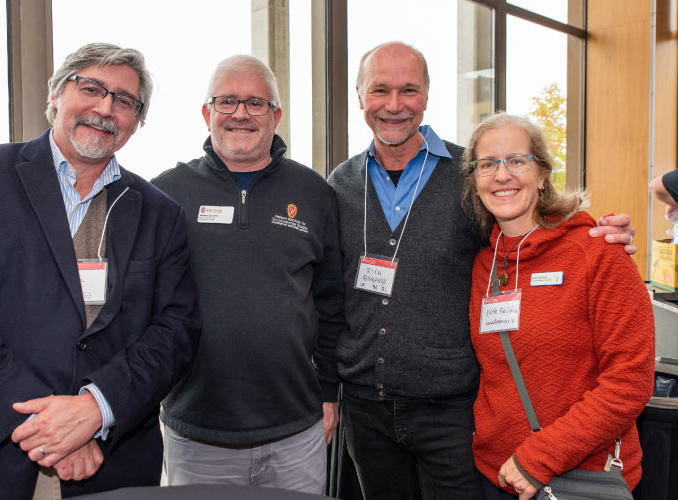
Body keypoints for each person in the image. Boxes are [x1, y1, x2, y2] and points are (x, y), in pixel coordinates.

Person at [0, 43, 201, 500]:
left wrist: (95, 408)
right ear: (55, 96)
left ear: (136, 121)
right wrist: (49, 428)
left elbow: (176, 331)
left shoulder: (161, 213)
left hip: (111, 462)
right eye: (90, 87)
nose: (106, 107)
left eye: (125, 101)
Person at [327, 41, 637, 500]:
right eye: (380, 90)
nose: (394, 105)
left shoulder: (466, 176)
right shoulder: (340, 184)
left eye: (409, 90)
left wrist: (599, 232)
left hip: (452, 412)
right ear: (359, 96)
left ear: (427, 95)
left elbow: (536, 224)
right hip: (365, 408)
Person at [152, 55, 346, 494]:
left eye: (256, 103)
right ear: (207, 113)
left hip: (297, 429)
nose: (241, 113)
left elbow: (332, 301)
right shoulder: (167, 193)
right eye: (227, 101)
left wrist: (329, 391)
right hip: (197, 431)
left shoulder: (314, 192)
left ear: (276, 115)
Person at [462, 113, 654, 499]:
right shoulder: (487, 262)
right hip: (495, 474)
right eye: (488, 164)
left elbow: (629, 381)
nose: (502, 175)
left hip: (579, 478)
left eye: (517, 160)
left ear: (543, 173)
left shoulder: (597, 252)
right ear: (475, 180)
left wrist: (538, 458)